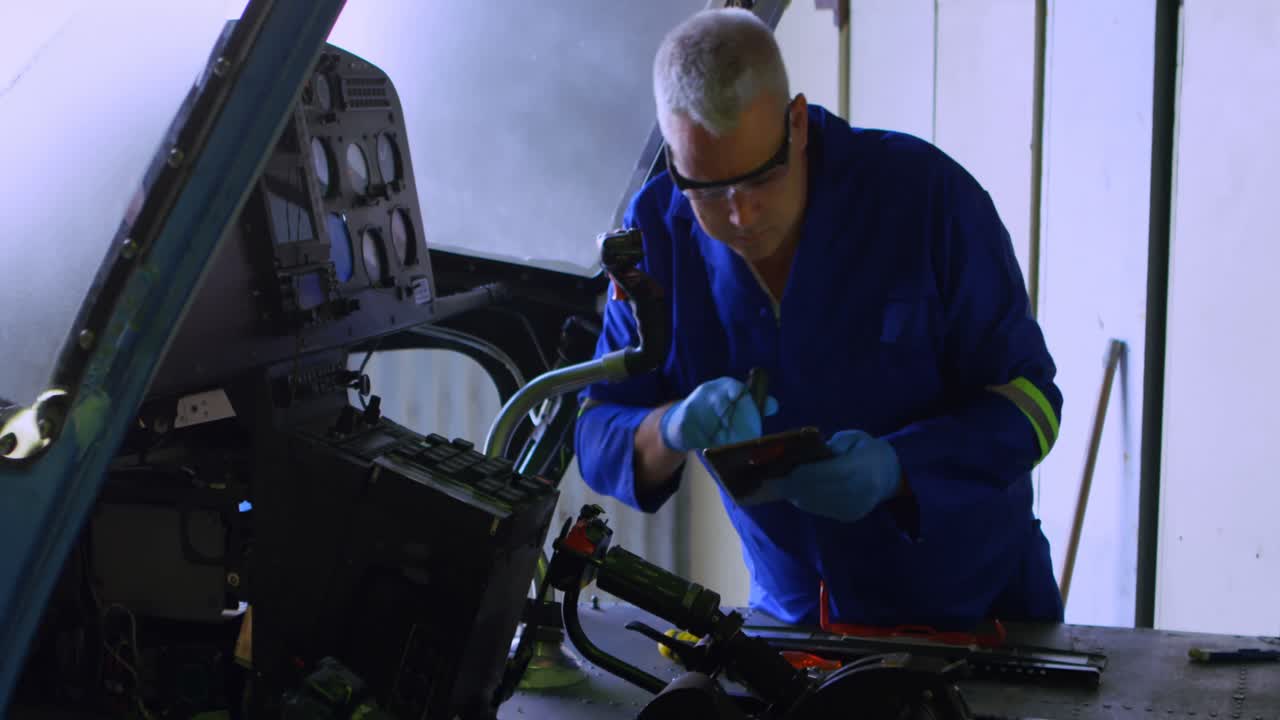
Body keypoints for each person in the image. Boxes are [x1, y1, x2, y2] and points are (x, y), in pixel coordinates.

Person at [574, 8, 1064, 630]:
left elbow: (1034, 405)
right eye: (708, 190)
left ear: (797, 123)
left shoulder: (928, 199)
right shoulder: (656, 236)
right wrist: (671, 426)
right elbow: (596, 435)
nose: (742, 215)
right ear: (674, 161)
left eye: (761, 177)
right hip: (794, 627)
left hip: (973, 615)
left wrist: (900, 468)